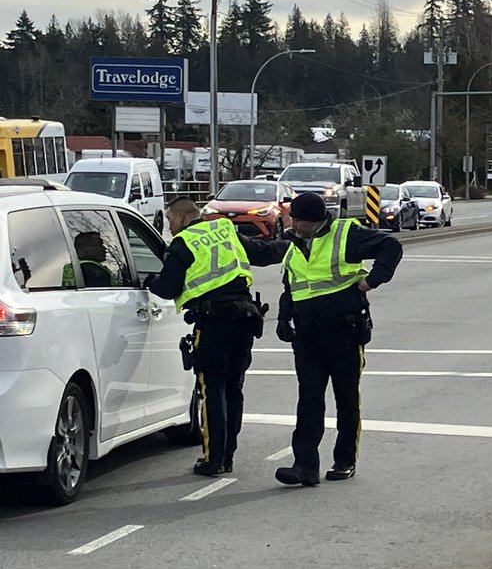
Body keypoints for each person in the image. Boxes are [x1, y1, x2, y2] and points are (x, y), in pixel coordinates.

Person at [145, 196, 283, 477]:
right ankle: (228, 455)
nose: (169, 227)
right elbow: (263, 253)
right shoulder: (225, 229)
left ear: (182, 217)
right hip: (244, 319)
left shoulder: (182, 243)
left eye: (170, 220)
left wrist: (149, 281)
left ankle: (213, 458)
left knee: (212, 390)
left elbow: (168, 288)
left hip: (213, 323)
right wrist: (295, 241)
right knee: (234, 388)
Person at [274, 192, 402, 487]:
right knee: (309, 399)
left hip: (343, 331)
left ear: (312, 220)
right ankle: (304, 466)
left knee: (346, 398)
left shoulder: (346, 235)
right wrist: (283, 317)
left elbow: (391, 246)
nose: (292, 224)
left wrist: (372, 280)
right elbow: (291, 283)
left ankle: (345, 461)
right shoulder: (293, 242)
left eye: (297, 219)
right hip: (307, 333)